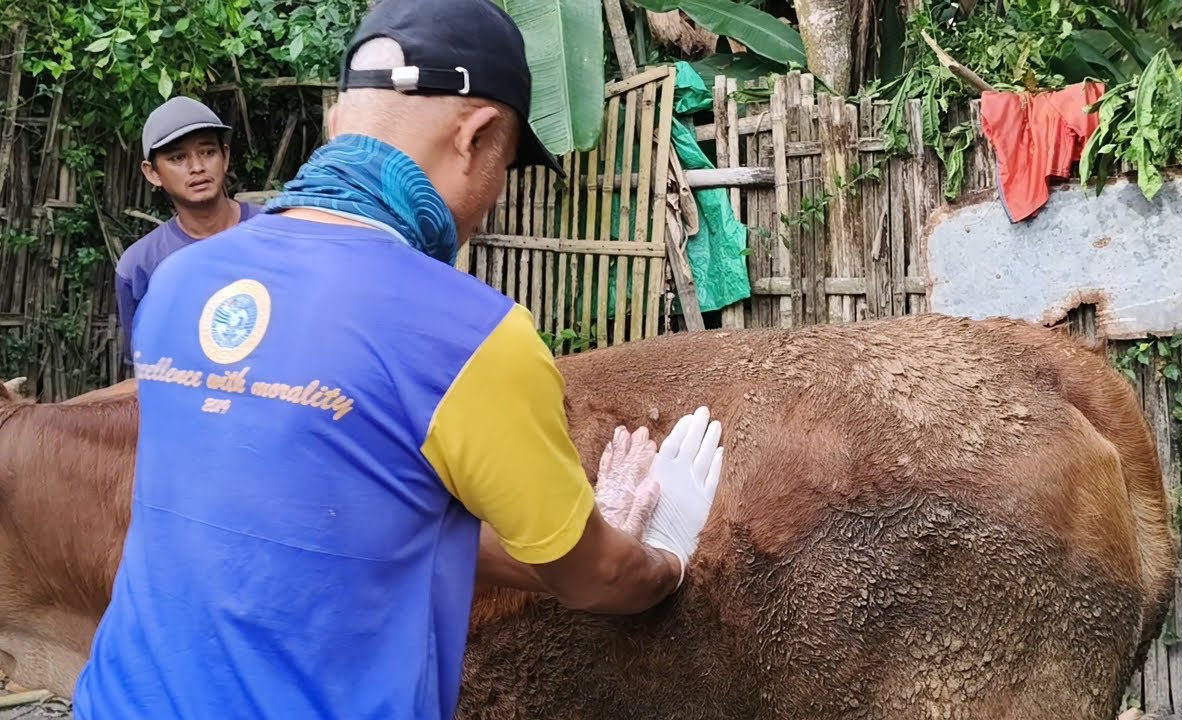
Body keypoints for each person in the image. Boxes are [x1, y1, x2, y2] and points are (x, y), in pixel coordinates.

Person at [72, 0, 725, 718]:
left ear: (335, 123)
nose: (489, 203)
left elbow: (368, 508)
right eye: (504, 166)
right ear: (475, 139)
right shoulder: (471, 335)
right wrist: (660, 555)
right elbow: (597, 583)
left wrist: (567, 530)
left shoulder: (173, 284)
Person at [114, 95, 261, 364]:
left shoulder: (276, 234)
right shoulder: (140, 266)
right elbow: (144, 370)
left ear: (225, 156)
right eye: (178, 157)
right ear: (152, 173)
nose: (197, 167)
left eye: (207, 152)